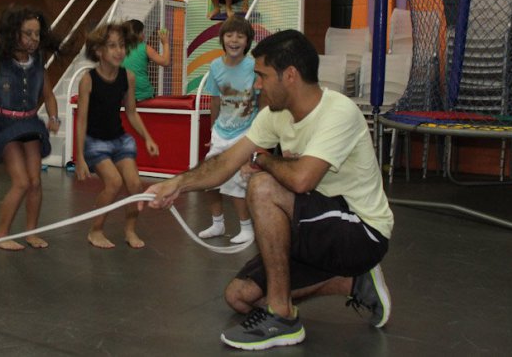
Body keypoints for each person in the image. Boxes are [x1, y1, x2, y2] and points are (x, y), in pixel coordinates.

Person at [144, 29, 393, 351]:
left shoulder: (338, 111)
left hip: (361, 232)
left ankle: (282, 317)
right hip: (312, 227)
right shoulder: (274, 116)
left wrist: (264, 160)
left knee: (262, 186)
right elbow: (226, 162)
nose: (256, 84)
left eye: (262, 75)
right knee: (239, 297)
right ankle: (352, 281)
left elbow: (302, 180)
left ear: (289, 75)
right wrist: (175, 184)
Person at [0, 5, 61, 250]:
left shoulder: (38, 62)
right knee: (21, 182)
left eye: (37, 34)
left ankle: (32, 232)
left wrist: (54, 117)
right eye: (28, 33)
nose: (34, 39)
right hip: (5, 125)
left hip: (29, 124)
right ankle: (1, 234)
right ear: (14, 33)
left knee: (35, 182)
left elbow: (48, 95)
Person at [75, 22, 159, 249]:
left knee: (134, 184)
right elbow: (81, 120)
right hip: (95, 142)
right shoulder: (88, 80)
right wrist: (80, 157)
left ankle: (130, 230)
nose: (119, 51)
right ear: (98, 51)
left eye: (121, 45)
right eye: (112, 46)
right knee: (113, 182)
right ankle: (96, 230)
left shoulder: (127, 77)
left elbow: (131, 113)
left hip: (119, 140)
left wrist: (147, 138)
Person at [196, 16, 257, 245]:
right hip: (222, 131)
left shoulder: (253, 66)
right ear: (222, 39)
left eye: (240, 36)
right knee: (210, 177)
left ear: (247, 41)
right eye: (229, 35)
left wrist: (259, 138)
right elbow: (215, 100)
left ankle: (246, 228)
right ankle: (218, 223)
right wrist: (212, 131)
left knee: (237, 181)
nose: (234, 40)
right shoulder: (215, 66)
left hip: (245, 132)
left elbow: (263, 101)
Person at [121, 19, 170, 101]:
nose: (144, 35)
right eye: (142, 32)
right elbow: (165, 62)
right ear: (137, 34)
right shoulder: (144, 47)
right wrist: (165, 43)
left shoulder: (118, 49)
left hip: (123, 95)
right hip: (143, 95)